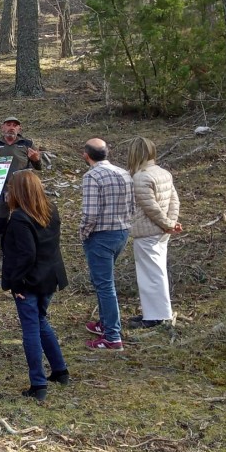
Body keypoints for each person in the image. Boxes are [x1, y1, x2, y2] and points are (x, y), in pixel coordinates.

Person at [1, 171, 70, 403]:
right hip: (49, 277)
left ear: (18, 192)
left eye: (10, 189)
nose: (7, 193)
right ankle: (60, 370)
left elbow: (26, 254)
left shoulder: (20, 218)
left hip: (29, 281)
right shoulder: (50, 211)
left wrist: (17, 283)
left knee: (31, 328)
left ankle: (38, 383)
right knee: (40, 321)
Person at [81, 138, 136, 350]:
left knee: (105, 285)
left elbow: (90, 213)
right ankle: (104, 324)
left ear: (86, 155)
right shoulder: (124, 173)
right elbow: (132, 205)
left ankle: (112, 337)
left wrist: (84, 234)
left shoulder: (91, 177)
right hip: (121, 232)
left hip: (101, 235)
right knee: (103, 282)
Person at [127, 137, 182, 329]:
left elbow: (151, 208)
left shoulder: (140, 177)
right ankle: (155, 312)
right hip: (160, 231)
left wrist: (168, 224)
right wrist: (171, 223)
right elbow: (174, 200)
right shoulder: (163, 173)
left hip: (147, 231)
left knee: (150, 275)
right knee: (156, 272)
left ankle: (157, 316)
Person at [0, 116, 43, 243]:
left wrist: (36, 159)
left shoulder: (27, 144)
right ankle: (3, 252)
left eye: (15, 125)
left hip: (22, 189)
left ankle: (25, 246)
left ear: (19, 128)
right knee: (1, 220)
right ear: (2, 127)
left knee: (24, 218)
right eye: (8, 124)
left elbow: (38, 167)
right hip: (0, 190)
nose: (11, 127)